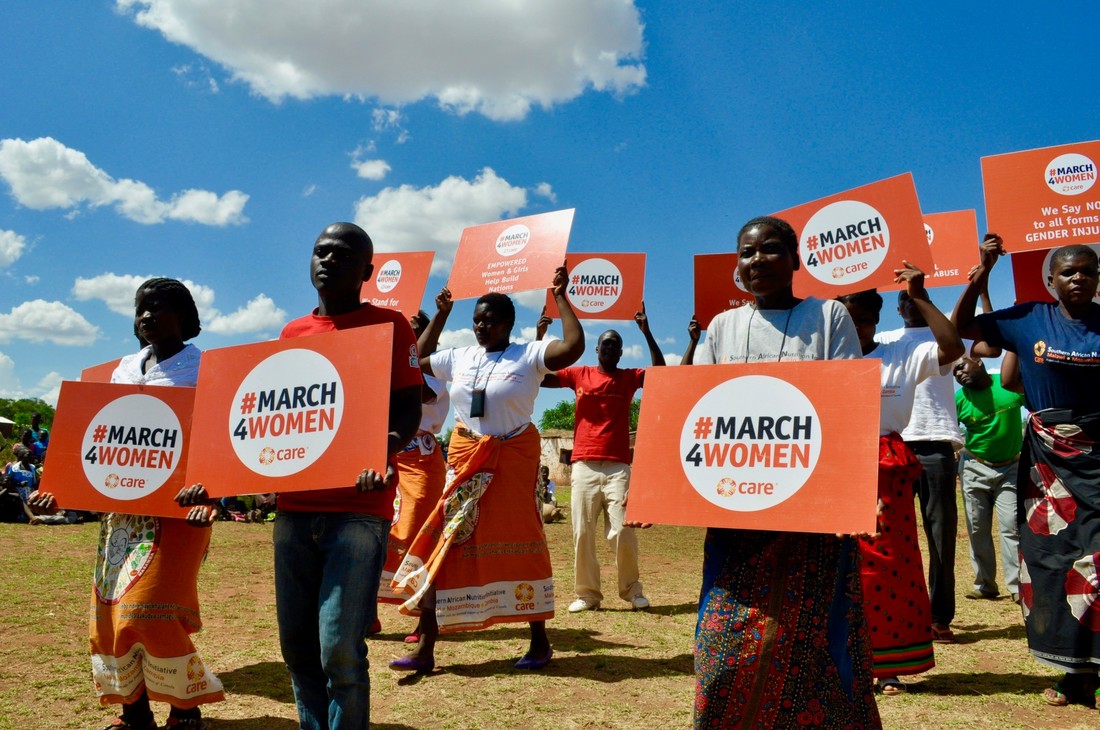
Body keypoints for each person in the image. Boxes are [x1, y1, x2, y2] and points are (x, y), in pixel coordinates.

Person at [692, 216, 879, 728]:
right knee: (722, 639)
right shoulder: (721, 327)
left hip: (812, 513)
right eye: (746, 253)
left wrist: (849, 495)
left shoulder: (830, 318)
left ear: (796, 260)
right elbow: (700, 413)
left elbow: (847, 406)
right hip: (737, 511)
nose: (757, 261)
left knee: (813, 635)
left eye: (770, 250)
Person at [31, 278, 224, 730]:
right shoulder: (122, 369)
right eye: (140, 309)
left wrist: (211, 495)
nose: (146, 316)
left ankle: (184, 707)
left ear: (185, 315)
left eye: (157, 307)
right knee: (109, 613)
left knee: (149, 611)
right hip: (122, 513)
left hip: (180, 513)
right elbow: (97, 438)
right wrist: (59, 489)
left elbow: (219, 442)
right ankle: (134, 713)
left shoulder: (207, 369)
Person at [266, 222, 423, 729]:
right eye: (319, 251)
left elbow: (407, 408)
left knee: (339, 649)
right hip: (293, 512)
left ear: (367, 271)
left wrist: (387, 449)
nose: (327, 260)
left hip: (358, 512)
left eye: (342, 254)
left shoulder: (390, 326)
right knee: (298, 648)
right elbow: (277, 412)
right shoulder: (292, 333)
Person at [390, 266, 584, 673]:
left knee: (523, 543)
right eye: (476, 319)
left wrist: (562, 296)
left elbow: (571, 347)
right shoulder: (460, 355)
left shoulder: (528, 355)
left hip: (511, 462)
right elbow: (417, 359)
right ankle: (425, 648)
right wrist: (441, 315)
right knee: (445, 542)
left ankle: (539, 642)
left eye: (489, 320)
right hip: (464, 461)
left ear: (508, 324)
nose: (480, 326)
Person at [954, 237, 1100, 708]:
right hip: (1049, 465)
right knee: (1055, 562)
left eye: (1089, 271)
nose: (1080, 278)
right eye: (1070, 272)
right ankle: (1073, 674)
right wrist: (983, 274)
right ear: (1050, 280)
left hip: (1099, 457)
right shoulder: (1028, 318)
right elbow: (961, 329)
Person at [838, 268, 964, 696]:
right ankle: (841, 660)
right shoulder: (825, 361)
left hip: (886, 467)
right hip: (836, 464)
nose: (854, 328)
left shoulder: (901, 354)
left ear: (875, 319)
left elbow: (952, 346)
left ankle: (887, 664)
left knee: (887, 565)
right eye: (845, 319)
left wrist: (919, 295)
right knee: (837, 567)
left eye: (862, 319)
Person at [540, 301, 665, 613]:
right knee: (581, 531)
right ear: (596, 349)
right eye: (605, 344)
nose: (610, 348)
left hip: (619, 467)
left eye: (615, 345)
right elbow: (541, 377)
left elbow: (661, 374)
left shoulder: (628, 378)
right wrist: (540, 338)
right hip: (583, 465)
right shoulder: (579, 374)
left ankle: (632, 591)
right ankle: (588, 595)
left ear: (621, 353)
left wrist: (647, 333)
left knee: (623, 530)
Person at [876, 288, 963, 644]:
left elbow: (967, 348)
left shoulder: (942, 335)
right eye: (906, 299)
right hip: (893, 447)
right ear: (897, 308)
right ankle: (892, 614)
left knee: (941, 536)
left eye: (919, 296)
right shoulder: (885, 340)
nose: (912, 303)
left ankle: (939, 617)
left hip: (936, 444)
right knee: (888, 537)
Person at [377, 308, 450, 646]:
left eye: (415, 329)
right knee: (376, 532)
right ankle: (367, 612)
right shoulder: (382, 365)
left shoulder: (433, 369)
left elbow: (421, 394)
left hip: (419, 457)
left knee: (418, 534)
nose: (408, 335)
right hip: (384, 454)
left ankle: (424, 616)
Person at [953, 355, 1024, 604]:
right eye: (954, 372)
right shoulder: (959, 399)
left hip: (1011, 468)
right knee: (977, 527)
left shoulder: (1007, 386)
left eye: (961, 366)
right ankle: (985, 585)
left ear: (978, 362)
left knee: (1011, 526)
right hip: (975, 467)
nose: (959, 373)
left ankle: (1017, 587)